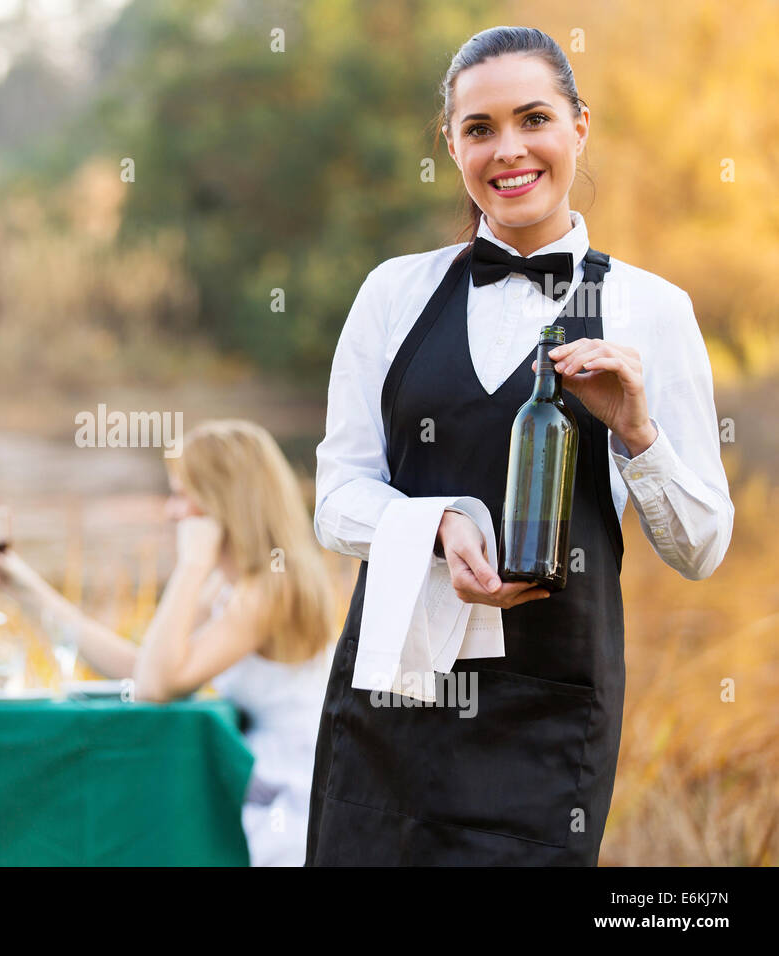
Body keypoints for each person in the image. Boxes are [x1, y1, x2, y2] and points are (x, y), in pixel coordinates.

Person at [306, 26, 733, 865]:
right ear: (452, 143)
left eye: (533, 118)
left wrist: (638, 434)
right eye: (479, 128)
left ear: (579, 126)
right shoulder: (394, 291)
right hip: (393, 696)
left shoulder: (654, 310)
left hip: (547, 716)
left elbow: (704, 547)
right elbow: (335, 498)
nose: (509, 151)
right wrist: (436, 526)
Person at [0, 419, 338, 866]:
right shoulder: (232, 584)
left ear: (223, 501)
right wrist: (29, 590)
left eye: (181, 495)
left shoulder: (273, 587)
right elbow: (146, 666)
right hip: (256, 786)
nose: (172, 512)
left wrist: (191, 566)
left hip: (290, 806)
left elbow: (155, 687)